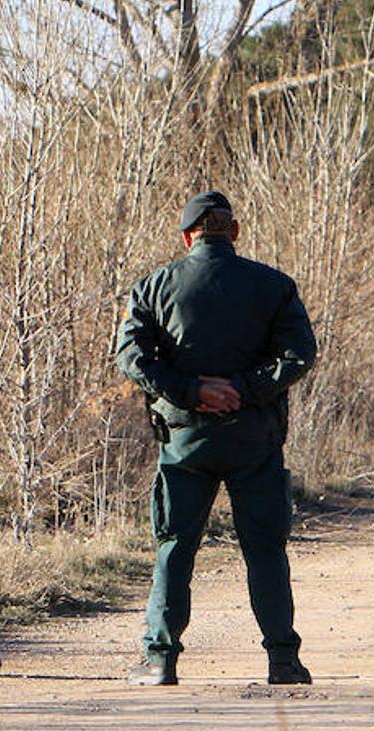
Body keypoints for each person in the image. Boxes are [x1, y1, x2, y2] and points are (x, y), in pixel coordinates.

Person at [118, 191, 317, 686]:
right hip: (254, 438)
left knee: (174, 548)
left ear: (187, 236)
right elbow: (300, 355)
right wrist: (245, 391)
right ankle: (283, 661)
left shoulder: (153, 287)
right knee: (265, 548)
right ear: (234, 231)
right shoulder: (273, 286)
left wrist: (192, 391)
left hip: (185, 441)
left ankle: (160, 659)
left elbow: (132, 359)